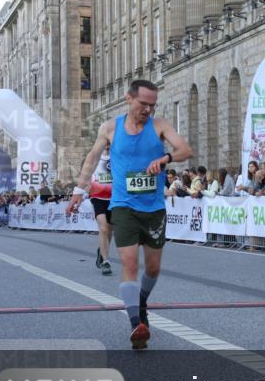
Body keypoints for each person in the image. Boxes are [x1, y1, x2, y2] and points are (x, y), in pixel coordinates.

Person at [67, 80, 193, 350]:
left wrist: (165, 159)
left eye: (152, 105)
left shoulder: (159, 126)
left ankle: (141, 303)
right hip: (123, 205)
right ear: (129, 99)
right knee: (129, 265)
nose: (147, 109)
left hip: (154, 207)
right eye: (142, 104)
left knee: (153, 268)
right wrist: (79, 189)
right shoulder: (110, 128)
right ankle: (137, 322)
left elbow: (185, 150)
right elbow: (91, 158)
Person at [89, 144, 114, 276]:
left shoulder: (117, 156)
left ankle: (102, 251)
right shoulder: (94, 156)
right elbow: (86, 176)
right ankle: (106, 261)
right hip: (97, 196)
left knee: (110, 229)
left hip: (114, 197)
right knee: (103, 228)